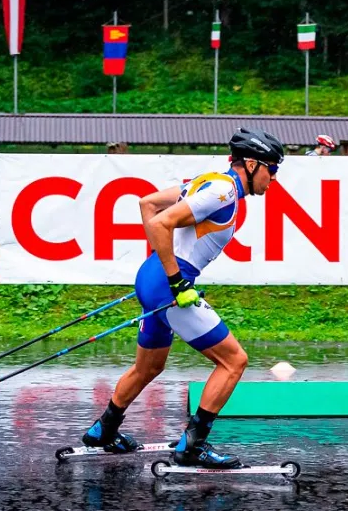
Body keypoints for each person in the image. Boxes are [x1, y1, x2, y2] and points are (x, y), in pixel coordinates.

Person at [81, 127, 285, 469]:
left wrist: (162, 268)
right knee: (234, 361)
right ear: (251, 165)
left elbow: (147, 204)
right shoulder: (223, 192)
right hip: (168, 287)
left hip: (151, 278)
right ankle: (192, 446)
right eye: (272, 170)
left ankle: (104, 429)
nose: (273, 179)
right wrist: (176, 280)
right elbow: (161, 221)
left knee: (149, 366)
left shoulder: (211, 181)